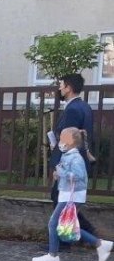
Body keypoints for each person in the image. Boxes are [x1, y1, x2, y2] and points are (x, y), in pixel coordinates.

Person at [33, 127, 112, 261]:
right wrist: (59, 174)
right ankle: (100, 244)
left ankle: (53, 256)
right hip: (70, 195)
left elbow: (78, 176)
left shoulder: (75, 158)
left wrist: (61, 172)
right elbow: (68, 174)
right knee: (67, 227)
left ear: (70, 142)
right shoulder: (69, 155)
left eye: (62, 139)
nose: (60, 142)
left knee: (53, 224)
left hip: (71, 196)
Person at [48, 73, 97, 249]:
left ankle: (68, 241)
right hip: (79, 161)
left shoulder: (72, 109)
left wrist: (58, 166)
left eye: (61, 85)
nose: (59, 88)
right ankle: (84, 236)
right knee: (65, 200)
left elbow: (69, 140)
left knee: (59, 198)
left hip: (70, 163)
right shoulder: (84, 106)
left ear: (68, 87)